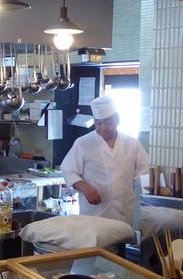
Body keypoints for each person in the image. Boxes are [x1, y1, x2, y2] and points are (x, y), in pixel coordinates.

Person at [60, 94, 148, 225]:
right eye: (98, 123)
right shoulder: (83, 143)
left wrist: (151, 196)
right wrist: (85, 188)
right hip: (93, 215)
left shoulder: (132, 144)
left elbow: (145, 173)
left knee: (120, 237)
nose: (103, 127)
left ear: (118, 119)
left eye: (108, 122)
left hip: (123, 216)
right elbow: (68, 170)